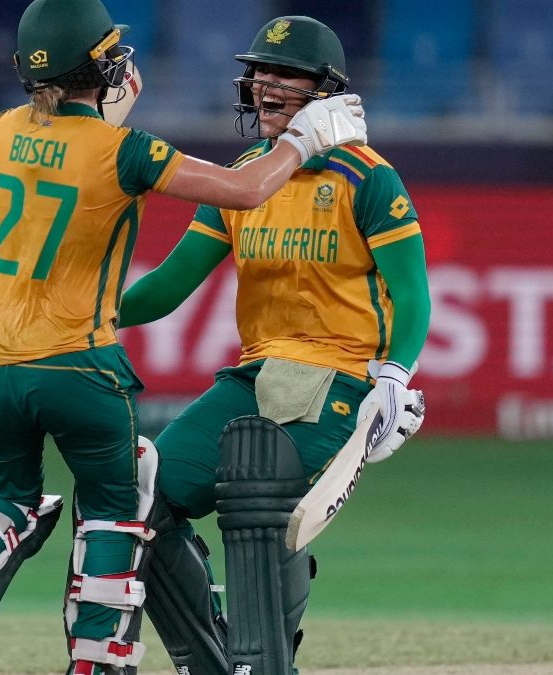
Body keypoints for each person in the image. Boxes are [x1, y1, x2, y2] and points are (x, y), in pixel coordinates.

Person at [0, 3, 368, 675]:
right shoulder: (128, 149)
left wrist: (73, 135)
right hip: (76, 362)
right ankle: (98, 657)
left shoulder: (4, 129)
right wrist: (303, 139)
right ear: (100, 65)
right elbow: (244, 189)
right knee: (118, 508)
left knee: (9, 495)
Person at [118, 15, 431, 675]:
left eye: (282, 73)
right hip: (258, 372)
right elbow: (169, 287)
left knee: (255, 495)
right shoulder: (244, 177)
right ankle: (214, 657)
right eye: (258, 71)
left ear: (324, 92)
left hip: (341, 380)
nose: (263, 84)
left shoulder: (368, 178)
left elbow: (413, 293)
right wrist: (82, 308)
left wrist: (396, 376)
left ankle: (263, 660)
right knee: (136, 497)